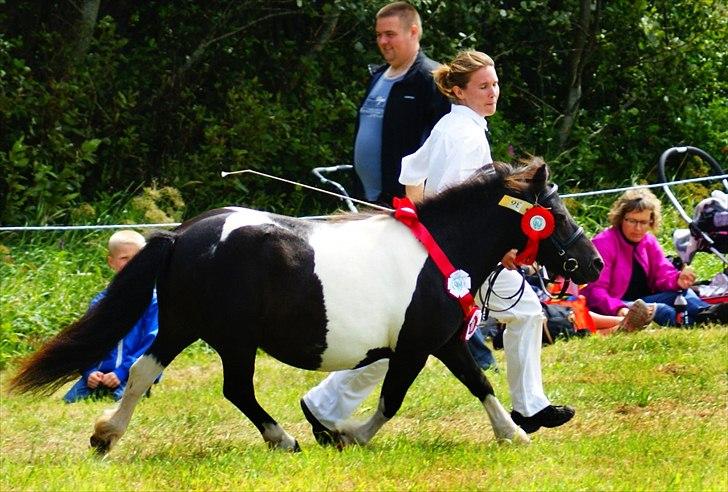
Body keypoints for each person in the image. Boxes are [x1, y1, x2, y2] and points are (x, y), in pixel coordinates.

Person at [301, 50, 573, 442]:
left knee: (402, 337)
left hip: (439, 250)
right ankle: (528, 408)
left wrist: (419, 213)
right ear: (459, 91)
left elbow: (411, 169)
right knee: (526, 312)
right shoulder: (465, 135)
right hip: (457, 260)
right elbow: (474, 206)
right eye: (483, 86)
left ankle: (324, 405)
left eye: (494, 83)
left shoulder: (455, 125)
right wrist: (497, 245)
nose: (492, 91)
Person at [581, 188, 728, 326]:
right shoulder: (603, 243)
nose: (638, 228)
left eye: (644, 222)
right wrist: (618, 308)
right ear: (620, 219)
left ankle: (709, 313)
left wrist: (678, 280)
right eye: (632, 221)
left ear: (651, 222)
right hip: (617, 304)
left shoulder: (648, 241)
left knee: (684, 293)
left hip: (644, 299)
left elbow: (663, 274)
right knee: (662, 309)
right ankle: (697, 323)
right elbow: (595, 291)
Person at [352, 1, 450, 204]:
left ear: (413, 32)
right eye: (378, 35)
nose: (382, 41)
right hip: (366, 200)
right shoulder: (377, 76)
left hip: (405, 204)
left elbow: (443, 146)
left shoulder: (432, 80)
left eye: (390, 34)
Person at [62, 230, 159, 403]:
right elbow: (87, 342)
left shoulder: (152, 301)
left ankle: (137, 386)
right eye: (124, 258)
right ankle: (97, 383)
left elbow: (151, 342)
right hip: (100, 374)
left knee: (122, 401)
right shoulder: (99, 302)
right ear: (111, 262)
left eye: (137, 258)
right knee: (70, 401)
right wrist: (89, 372)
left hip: (134, 373)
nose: (132, 264)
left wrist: (121, 372)